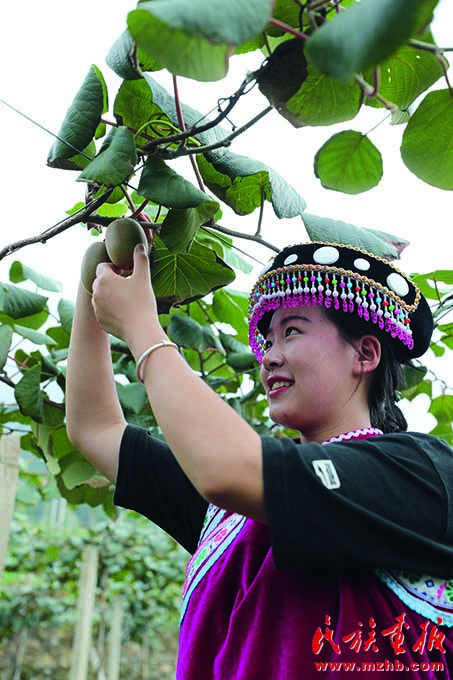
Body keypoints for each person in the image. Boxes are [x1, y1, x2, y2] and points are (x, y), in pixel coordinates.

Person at [66, 238, 453, 678]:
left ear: (365, 353)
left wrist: (142, 328)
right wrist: (95, 279)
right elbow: (94, 427)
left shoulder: (420, 470)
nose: (268, 357)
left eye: (292, 331)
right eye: (267, 339)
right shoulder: (231, 517)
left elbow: (230, 470)